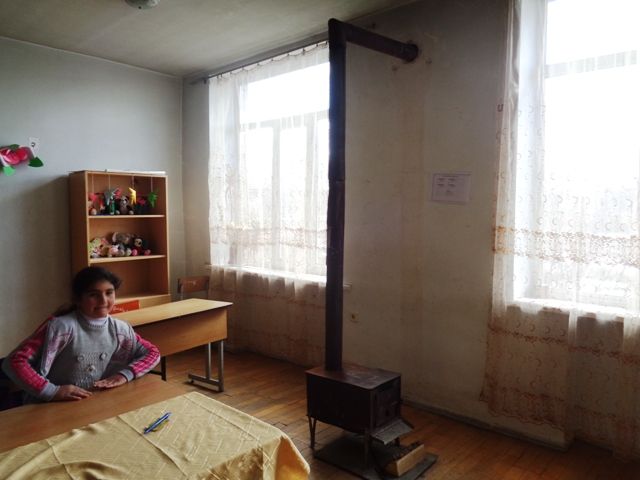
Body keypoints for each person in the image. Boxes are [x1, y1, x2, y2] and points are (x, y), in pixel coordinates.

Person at [2, 266, 160, 402]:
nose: (103, 301)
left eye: (109, 293)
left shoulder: (121, 329)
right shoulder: (60, 327)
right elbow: (15, 361)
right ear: (78, 299)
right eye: (93, 295)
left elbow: (152, 353)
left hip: (92, 403)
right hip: (50, 406)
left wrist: (125, 375)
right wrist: (52, 391)